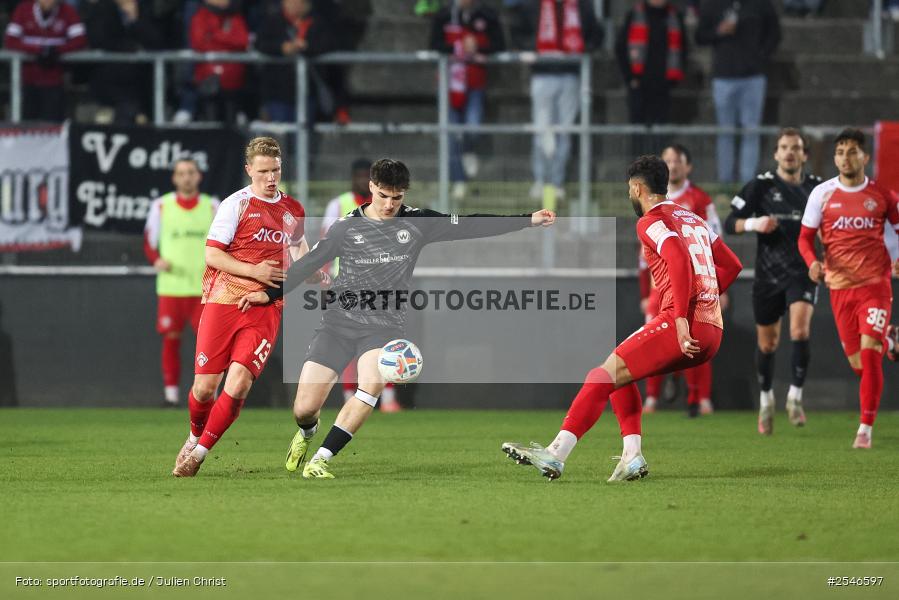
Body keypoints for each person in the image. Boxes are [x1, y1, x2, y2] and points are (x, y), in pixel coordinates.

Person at [239, 158, 556, 479]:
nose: (390, 204)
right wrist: (269, 294)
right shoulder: (346, 228)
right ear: (372, 188)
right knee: (304, 408)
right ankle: (307, 433)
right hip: (338, 325)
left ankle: (321, 458)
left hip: (383, 328)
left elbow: (471, 224)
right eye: (384, 196)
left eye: (397, 197)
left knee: (370, 387)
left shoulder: (417, 223)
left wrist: (527, 220)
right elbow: (306, 265)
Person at [502, 155, 742, 481]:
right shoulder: (695, 220)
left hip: (680, 323)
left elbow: (677, 258)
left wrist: (683, 317)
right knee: (618, 373)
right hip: (713, 329)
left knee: (599, 376)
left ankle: (556, 453)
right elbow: (732, 266)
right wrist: (706, 300)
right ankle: (632, 456)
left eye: (630, 191)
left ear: (637, 188)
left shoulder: (650, 221)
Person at [172, 137, 315, 477]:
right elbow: (212, 254)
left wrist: (311, 271)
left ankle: (199, 455)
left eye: (276, 170)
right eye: (263, 171)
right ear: (249, 170)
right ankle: (193, 436)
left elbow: (301, 255)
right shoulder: (235, 205)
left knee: (238, 384)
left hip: (266, 307)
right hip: (224, 300)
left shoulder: (292, 210)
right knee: (204, 388)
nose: (270, 178)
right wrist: (255, 270)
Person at [798, 128, 899, 449]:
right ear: (834, 158)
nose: (845, 157)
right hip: (839, 288)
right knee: (858, 363)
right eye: (840, 152)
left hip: (875, 285)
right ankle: (891, 339)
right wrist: (813, 262)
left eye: (852, 151)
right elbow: (804, 238)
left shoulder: (884, 196)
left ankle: (864, 430)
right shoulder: (822, 195)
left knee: (869, 356)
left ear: (865, 157)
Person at [724, 128, 822, 435]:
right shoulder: (762, 186)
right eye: (784, 147)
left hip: (802, 271)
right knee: (768, 343)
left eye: (796, 147)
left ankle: (795, 396)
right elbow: (730, 224)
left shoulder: (818, 188)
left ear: (805, 155)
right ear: (776, 153)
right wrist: (755, 223)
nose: (790, 152)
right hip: (768, 276)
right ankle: (767, 401)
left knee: (799, 329)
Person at [641, 144, 721, 416]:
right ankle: (652, 398)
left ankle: (700, 398)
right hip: (658, 287)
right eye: (667, 160)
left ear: (688, 166)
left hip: (694, 285)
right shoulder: (651, 204)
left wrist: (715, 287)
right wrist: (644, 290)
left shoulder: (699, 200)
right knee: (658, 342)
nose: (672, 165)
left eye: (677, 160)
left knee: (695, 339)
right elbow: (644, 255)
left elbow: (715, 244)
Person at [320, 158, 400, 413]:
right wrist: (325, 280)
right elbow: (325, 243)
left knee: (384, 342)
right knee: (348, 342)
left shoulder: (387, 206)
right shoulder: (339, 205)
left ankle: (387, 399)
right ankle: (348, 397)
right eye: (360, 176)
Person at [509, 0, 602, 208]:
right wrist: (531, 48)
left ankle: (557, 182)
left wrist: (582, 49)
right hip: (542, 74)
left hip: (570, 74)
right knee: (541, 131)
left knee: (564, 132)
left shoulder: (581, 6)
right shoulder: (532, 6)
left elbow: (597, 34)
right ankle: (541, 180)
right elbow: (516, 31)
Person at [144, 159, 219, 407]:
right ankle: (171, 395)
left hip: (205, 289)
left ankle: (208, 392)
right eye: (181, 173)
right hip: (171, 287)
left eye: (190, 172)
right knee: (171, 340)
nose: (186, 177)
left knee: (209, 343)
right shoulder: (161, 206)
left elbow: (227, 241)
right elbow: (148, 242)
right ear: (174, 178)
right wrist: (156, 260)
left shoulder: (212, 206)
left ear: (198, 176)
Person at [696, 0, 780, 183]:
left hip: (753, 77)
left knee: (751, 131)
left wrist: (760, 56)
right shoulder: (712, 4)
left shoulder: (761, 4)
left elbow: (774, 33)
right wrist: (718, 32)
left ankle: (746, 184)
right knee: (725, 132)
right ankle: (725, 183)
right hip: (723, 77)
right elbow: (700, 36)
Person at [429, 0, 505, 201]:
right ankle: (459, 180)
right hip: (448, 84)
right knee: (451, 134)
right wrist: (457, 46)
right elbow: (434, 44)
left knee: (473, 126)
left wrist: (478, 46)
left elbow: (500, 44)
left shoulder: (487, 14)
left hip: (474, 83)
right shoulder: (444, 14)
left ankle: (469, 149)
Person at [615, 0, 687, 157]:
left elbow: (683, 49)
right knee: (638, 133)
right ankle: (638, 173)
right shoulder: (634, 14)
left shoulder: (675, 16)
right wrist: (630, 78)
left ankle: (657, 173)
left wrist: (674, 79)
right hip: (639, 85)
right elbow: (620, 48)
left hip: (663, 87)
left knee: (660, 134)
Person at [80, 0, 165, 124]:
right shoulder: (101, 8)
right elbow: (99, 39)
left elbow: (157, 42)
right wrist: (132, 47)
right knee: (127, 110)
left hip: (141, 82)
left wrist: (135, 20)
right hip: (108, 78)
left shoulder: (146, 8)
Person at [256, 0, 338, 123]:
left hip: (308, 93)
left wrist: (306, 47)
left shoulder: (318, 22)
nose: (293, 5)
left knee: (303, 132)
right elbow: (260, 44)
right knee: (279, 134)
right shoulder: (272, 21)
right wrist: (281, 48)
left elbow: (328, 44)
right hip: (278, 92)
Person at [4, 0, 87, 121]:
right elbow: (10, 41)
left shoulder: (68, 11)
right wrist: (38, 50)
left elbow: (80, 40)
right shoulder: (23, 9)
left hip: (55, 81)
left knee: (53, 124)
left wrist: (56, 50)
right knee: (26, 124)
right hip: (27, 81)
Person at [189, 0, 250, 123]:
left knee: (232, 125)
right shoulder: (200, 17)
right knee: (210, 124)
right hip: (208, 79)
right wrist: (228, 41)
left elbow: (243, 41)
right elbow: (199, 43)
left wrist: (214, 36)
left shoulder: (235, 17)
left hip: (233, 80)